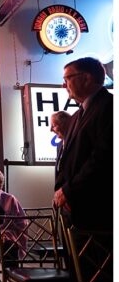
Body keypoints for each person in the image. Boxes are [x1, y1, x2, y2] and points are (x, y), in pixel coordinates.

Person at [54, 57, 113, 231]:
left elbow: (102, 158)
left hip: (98, 213)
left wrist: (68, 190)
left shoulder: (109, 108)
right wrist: (60, 191)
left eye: (67, 79)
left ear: (86, 78)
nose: (63, 86)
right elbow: (67, 160)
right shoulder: (75, 117)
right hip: (72, 210)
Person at [49, 111, 72, 189]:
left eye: (54, 125)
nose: (51, 130)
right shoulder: (59, 146)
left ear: (64, 124)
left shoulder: (77, 144)